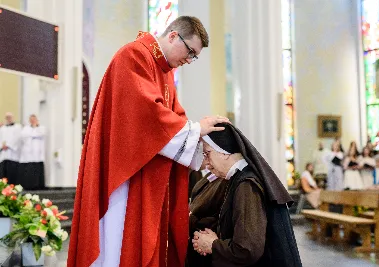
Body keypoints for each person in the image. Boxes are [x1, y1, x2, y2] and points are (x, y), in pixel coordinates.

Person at [68, 16, 230, 267]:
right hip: (123, 175)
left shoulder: (165, 73)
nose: (189, 61)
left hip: (146, 175)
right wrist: (196, 129)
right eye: (190, 52)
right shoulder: (133, 56)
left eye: (194, 57)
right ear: (174, 35)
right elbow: (146, 118)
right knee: (118, 244)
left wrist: (203, 143)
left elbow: (175, 118)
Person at [192, 123, 302, 267]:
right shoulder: (236, 178)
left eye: (207, 153)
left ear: (224, 153)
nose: (207, 163)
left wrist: (213, 244)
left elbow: (247, 249)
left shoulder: (246, 185)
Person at [186, 168, 229, 267]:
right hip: (198, 242)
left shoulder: (229, 180)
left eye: (208, 153)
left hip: (209, 244)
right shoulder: (211, 174)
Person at [18, 114, 46, 190]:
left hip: (38, 154)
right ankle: (28, 186)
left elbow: (41, 134)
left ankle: (38, 186)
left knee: (37, 169)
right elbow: (23, 136)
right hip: (28, 154)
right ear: (29, 120)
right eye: (31, 119)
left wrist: (34, 131)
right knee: (28, 170)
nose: (33, 121)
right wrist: (34, 134)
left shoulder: (41, 128)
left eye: (34, 119)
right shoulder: (26, 128)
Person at [0, 112, 22, 184]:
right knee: (3, 172)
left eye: (10, 117)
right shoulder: (2, 128)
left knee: (12, 171)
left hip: (13, 153)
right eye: (7, 117)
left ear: (12, 118)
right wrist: (2, 146)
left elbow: (18, 138)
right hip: (4, 154)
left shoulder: (18, 127)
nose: (8, 119)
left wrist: (8, 145)